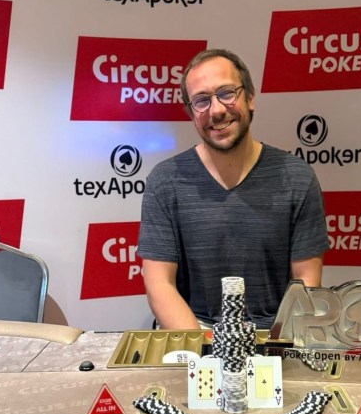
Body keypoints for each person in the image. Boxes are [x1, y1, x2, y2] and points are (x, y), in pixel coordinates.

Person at [137, 48, 328, 330]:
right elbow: (159, 284)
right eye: (201, 101)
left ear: (250, 98)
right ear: (191, 113)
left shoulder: (297, 177)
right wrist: (203, 351)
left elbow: (306, 284)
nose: (216, 110)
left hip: (273, 334)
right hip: (194, 332)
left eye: (227, 93)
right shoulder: (165, 181)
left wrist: (277, 348)